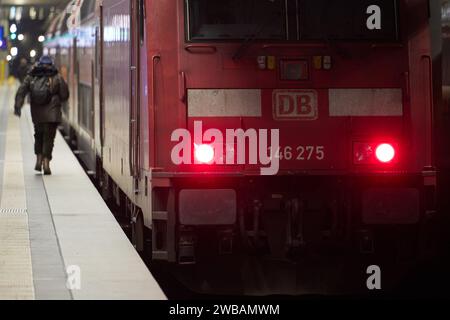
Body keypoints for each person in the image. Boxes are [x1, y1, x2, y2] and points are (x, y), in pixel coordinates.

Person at [14, 56, 69, 175]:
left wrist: (18, 106)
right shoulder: (56, 76)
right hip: (52, 113)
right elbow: (65, 95)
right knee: (49, 138)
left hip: (37, 112)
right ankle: (46, 162)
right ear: (51, 64)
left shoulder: (32, 76)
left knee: (38, 135)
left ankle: (38, 159)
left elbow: (21, 90)